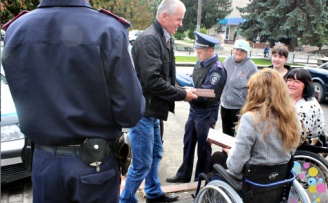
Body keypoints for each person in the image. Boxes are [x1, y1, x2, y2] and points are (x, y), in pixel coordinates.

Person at [1, 0, 145, 202]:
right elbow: (130, 112)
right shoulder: (108, 29)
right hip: (94, 167)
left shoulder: (16, 29)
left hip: (45, 163)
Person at [119, 1, 198, 203]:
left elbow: (166, 75)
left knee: (155, 155)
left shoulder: (163, 37)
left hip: (153, 110)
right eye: (178, 19)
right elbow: (153, 81)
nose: (181, 24)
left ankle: (153, 193)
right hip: (143, 113)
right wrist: (182, 95)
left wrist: (182, 89)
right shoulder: (149, 40)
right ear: (164, 17)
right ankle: (125, 199)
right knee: (142, 163)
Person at [208, 68, 300, 201]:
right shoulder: (293, 117)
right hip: (278, 180)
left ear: (256, 92)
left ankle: (208, 196)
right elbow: (291, 150)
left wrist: (231, 153)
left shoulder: (251, 119)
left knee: (217, 158)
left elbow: (235, 167)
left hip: (252, 183)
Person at [166, 31, 227, 183]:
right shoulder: (200, 63)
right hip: (194, 111)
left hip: (206, 113)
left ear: (210, 51)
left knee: (203, 149)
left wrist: (184, 93)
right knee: (188, 143)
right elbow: (194, 81)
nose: (197, 55)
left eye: (200, 52)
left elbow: (207, 92)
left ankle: (201, 179)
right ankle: (183, 175)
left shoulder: (217, 69)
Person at [220, 39, 258, 137]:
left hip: (239, 108)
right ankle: (225, 152)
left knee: (237, 135)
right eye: (237, 49)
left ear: (246, 52)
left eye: (242, 50)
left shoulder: (251, 66)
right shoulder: (227, 61)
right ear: (233, 49)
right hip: (225, 105)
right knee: (225, 134)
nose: (239, 52)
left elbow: (257, 88)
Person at [286, 68, 326, 145]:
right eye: (289, 80)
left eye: (296, 81)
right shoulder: (290, 98)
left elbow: (298, 138)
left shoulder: (307, 108)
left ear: (306, 85)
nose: (291, 84)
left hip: (304, 145)